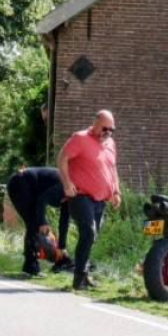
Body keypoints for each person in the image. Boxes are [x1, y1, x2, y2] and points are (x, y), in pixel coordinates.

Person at [56, 110, 120, 291]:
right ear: (95, 124)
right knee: (89, 233)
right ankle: (79, 278)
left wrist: (116, 191)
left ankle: (83, 275)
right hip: (81, 196)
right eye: (105, 128)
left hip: (101, 200)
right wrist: (67, 183)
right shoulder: (80, 138)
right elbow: (62, 159)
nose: (108, 133)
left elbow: (112, 169)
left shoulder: (110, 144)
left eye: (112, 130)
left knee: (91, 237)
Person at [5, 166, 71, 276]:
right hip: (20, 182)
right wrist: (43, 222)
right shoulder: (65, 186)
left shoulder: (71, 199)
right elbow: (42, 200)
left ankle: (32, 267)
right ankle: (31, 268)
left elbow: (64, 221)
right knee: (34, 224)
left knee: (34, 224)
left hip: (31, 189)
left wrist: (62, 247)